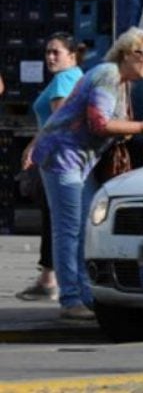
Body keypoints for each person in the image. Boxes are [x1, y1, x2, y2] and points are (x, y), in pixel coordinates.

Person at [25, 27, 143, 320]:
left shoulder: (119, 81)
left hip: (76, 161)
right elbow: (99, 123)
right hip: (63, 158)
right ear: (129, 54)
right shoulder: (108, 75)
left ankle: (85, 294)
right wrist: (142, 126)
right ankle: (71, 299)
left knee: (84, 227)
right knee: (70, 229)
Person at [16, 33, 85, 302]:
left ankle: (66, 289)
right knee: (58, 222)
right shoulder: (77, 76)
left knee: (61, 226)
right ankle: (50, 278)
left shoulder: (64, 80)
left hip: (56, 161)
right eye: (47, 52)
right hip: (63, 160)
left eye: (56, 52)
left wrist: (33, 147)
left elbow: (58, 121)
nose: (50, 57)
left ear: (72, 55)